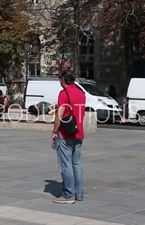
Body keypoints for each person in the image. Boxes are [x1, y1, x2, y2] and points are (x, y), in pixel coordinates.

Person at [51, 70, 86, 204]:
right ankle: (79, 194)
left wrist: (54, 131)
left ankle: (68, 194)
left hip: (66, 134)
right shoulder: (81, 93)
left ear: (63, 79)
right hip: (79, 132)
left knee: (66, 165)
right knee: (77, 164)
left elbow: (59, 115)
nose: (59, 81)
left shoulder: (64, 93)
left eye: (60, 79)